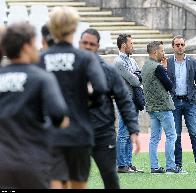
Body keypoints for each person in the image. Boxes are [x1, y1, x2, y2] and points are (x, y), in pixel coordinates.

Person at [39, 7, 108, 189]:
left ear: (52, 28)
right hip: (80, 132)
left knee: (54, 184)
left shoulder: (41, 58)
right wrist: (92, 101)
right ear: (74, 28)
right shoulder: (85, 58)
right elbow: (101, 87)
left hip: (50, 133)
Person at [0, 22, 69, 189]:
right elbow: (59, 116)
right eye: (33, 43)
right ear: (25, 46)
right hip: (32, 162)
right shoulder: (41, 78)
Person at [79, 28, 141, 189]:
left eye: (91, 44)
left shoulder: (108, 70)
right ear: (79, 44)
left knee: (110, 179)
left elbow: (123, 100)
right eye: (84, 43)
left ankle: (124, 164)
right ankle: (124, 164)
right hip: (78, 132)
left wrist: (134, 129)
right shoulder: (70, 69)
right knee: (75, 180)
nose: (87, 46)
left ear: (97, 46)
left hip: (102, 132)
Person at [141, 41, 184, 174]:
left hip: (152, 107)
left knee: (154, 138)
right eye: (162, 51)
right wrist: (164, 68)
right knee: (171, 135)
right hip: (163, 107)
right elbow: (169, 86)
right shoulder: (158, 67)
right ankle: (171, 166)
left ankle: (154, 167)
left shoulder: (145, 66)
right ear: (155, 52)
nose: (164, 53)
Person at [167, 35, 196, 172]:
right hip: (174, 103)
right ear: (173, 47)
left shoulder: (192, 62)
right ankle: (177, 164)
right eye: (177, 45)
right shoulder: (167, 62)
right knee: (176, 135)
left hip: (189, 102)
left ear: (185, 46)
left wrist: (194, 97)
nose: (180, 47)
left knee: (194, 134)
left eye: (182, 45)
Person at [113, 33, 143, 173]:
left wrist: (137, 76)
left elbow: (138, 75)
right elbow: (136, 80)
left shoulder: (132, 60)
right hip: (124, 101)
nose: (133, 46)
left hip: (134, 100)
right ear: (124, 45)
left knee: (131, 132)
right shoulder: (118, 62)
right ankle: (121, 165)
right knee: (124, 132)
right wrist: (137, 76)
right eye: (131, 43)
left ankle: (128, 163)